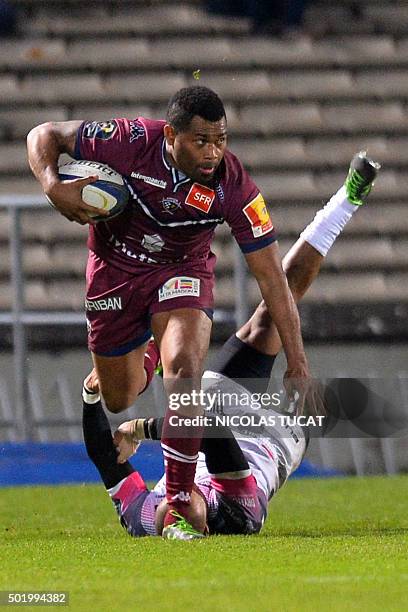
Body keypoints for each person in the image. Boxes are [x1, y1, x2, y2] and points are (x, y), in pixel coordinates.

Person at [27, 86, 310, 536]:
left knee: (185, 374)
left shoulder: (231, 185)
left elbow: (273, 276)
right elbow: (44, 135)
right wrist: (53, 185)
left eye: (221, 140)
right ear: (172, 135)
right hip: (114, 274)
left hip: (182, 273)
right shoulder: (127, 140)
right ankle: (147, 351)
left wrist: (297, 360)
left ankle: (179, 504)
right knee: (120, 397)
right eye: (202, 141)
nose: (213, 152)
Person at [82, 151, 380, 539]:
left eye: (169, 512)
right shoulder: (239, 515)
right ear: (204, 528)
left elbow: (104, 458)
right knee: (279, 313)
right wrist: (139, 429)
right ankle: (350, 201)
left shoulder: (142, 516)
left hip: (215, 405)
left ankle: (348, 196)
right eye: (185, 515)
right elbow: (209, 430)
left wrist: (90, 395)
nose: (177, 505)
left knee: (268, 315)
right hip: (268, 436)